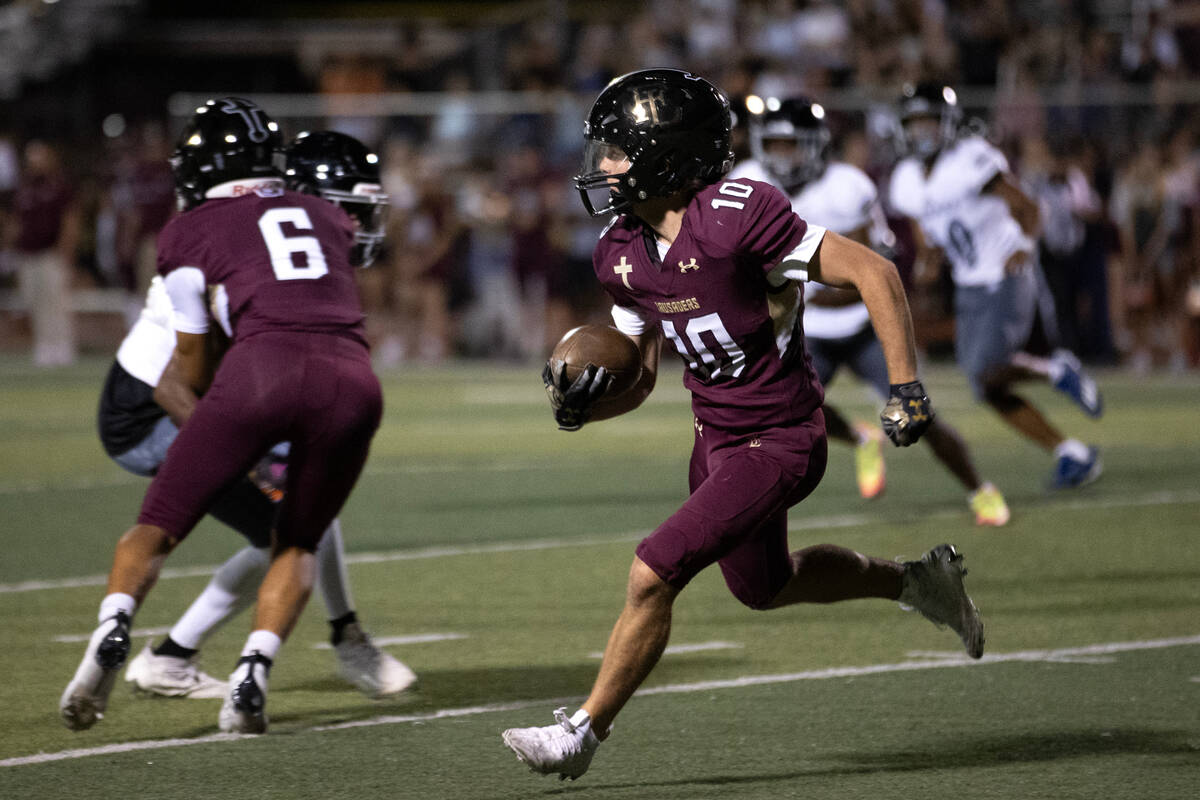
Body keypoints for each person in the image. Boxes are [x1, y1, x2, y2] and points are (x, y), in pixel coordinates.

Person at [501, 69, 985, 781]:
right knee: (764, 586)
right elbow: (640, 376)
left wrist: (907, 386)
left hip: (784, 439)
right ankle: (918, 584)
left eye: (616, 149)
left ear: (665, 153)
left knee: (652, 571)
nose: (601, 166)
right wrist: (586, 404)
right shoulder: (620, 254)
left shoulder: (739, 215)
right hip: (715, 441)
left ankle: (581, 731)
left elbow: (875, 272)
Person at [60, 98, 385, 735]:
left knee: (162, 526)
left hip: (247, 382)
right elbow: (168, 381)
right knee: (293, 537)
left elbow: (198, 360)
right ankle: (248, 670)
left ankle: (120, 628)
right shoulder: (321, 219)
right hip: (309, 385)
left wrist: (240, 424)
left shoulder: (193, 231)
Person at [729, 97, 1009, 525]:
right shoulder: (747, 181)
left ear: (817, 145)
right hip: (807, 330)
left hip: (861, 325)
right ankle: (860, 437)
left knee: (919, 416)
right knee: (786, 409)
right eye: (776, 145)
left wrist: (821, 292)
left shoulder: (846, 185)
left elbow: (870, 268)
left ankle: (979, 489)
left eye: (792, 145)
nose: (783, 156)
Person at [887, 82, 1103, 490]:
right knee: (984, 387)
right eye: (914, 123)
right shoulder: (905, 179)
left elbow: (1028, 207)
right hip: (969, 285)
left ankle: (1058, 370)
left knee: (985, 371)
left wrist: (1023, 244)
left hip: (1005, 274)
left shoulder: (971, 158)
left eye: (929, 121)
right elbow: (926, 238)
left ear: (947, 124)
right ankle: (1071, 452)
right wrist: (929, 264)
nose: (922, 131)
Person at [11, 139, 81, 366]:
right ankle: (44, 346)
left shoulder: (59, 186)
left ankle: (62, 348)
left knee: (55, 301)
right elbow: (16, 220)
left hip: (51, 252)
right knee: (33, 300)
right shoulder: (23, 187)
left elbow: (69, 220)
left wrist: (66, 252)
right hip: (27, 254)